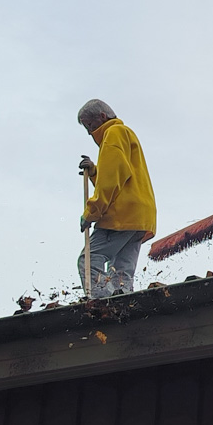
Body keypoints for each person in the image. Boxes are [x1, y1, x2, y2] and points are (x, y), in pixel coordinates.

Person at [76, 99, 156, 297]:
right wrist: (95, 172)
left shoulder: (113, 133)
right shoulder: (126, 133)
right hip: (140, 216)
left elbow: (111, 182)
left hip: (121, 216)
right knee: (120, 273)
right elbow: (121, 176)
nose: (89, 132)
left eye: (90, 125)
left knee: (89, 260)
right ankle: (123, 304)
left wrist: (91, 212)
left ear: (102, 117)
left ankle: (102, 304)